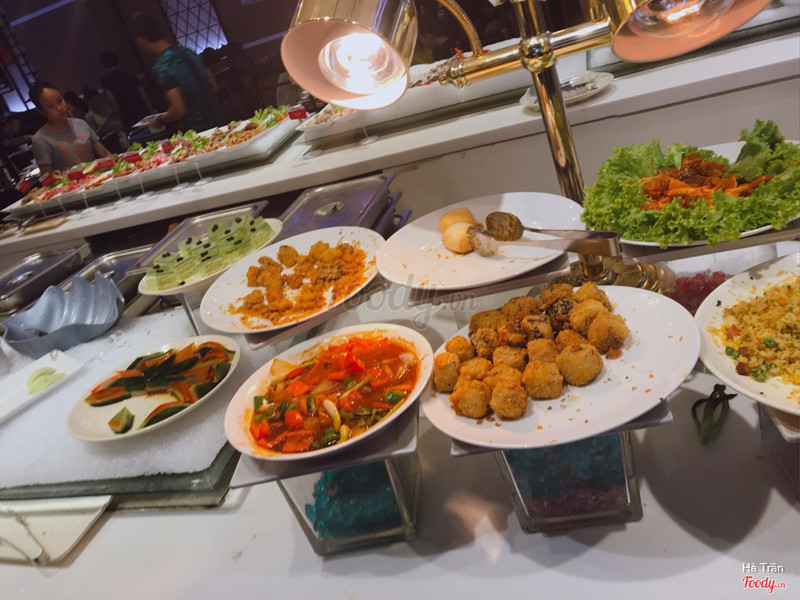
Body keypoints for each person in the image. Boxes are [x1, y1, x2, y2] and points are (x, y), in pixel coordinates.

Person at [129, 12, 222, 132]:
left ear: (141, 41)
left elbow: (178, 109)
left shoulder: (163, 65)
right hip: (220, 121)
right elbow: (214, 86)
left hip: (199, 130)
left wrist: (159, 120)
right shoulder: (189, 51)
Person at [29, 81, 111, 174]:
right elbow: (47, 178)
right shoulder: (41, 140)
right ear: (40, 111)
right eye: (51, 106)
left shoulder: (81, 123)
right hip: (72, 182)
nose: (59, 108)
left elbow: (105, 154)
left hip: (98, 177)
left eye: (60, 101)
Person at [99, 50, 151, 131]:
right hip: (141, 110)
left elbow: (112, 100)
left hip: (126, 115)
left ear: (104, 65)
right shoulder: (129, 75)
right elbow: (142, 93)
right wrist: (150, 109)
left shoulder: (105, 80)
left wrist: (119, 117)